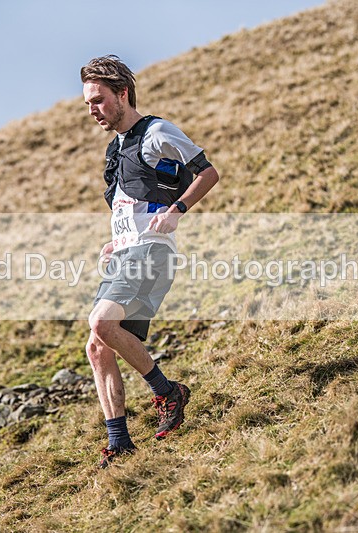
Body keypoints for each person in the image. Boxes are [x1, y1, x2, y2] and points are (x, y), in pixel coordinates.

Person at [80, 55, 220, 468]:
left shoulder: (157, 131)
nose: (92, 109)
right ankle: (119, 442)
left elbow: (207, 172)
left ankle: (167, 391)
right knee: (97, 346)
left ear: (122, 93)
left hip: (152, 252)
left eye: (98, 99)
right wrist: (113, 242)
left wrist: (177, 208)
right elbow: (131, 204)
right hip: (124, 253)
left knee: (101, 323)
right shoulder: (115, 149)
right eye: (88, 103)